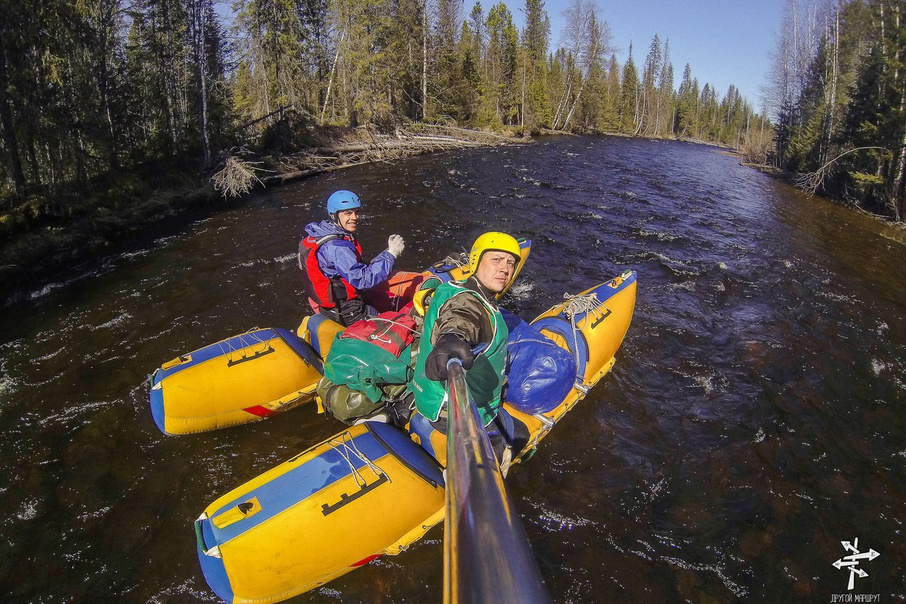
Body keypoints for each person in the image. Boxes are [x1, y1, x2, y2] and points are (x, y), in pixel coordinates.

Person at [408, 231, 529, 467]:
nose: (504, 268)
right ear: (476, 261)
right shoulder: (470, 303)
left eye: (510, 263)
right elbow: (460, 318)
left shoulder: (449, 288)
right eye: (496, 260)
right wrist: (450, 340)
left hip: (428, 398)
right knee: (521, 433)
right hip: (454, 416)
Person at [299, 190, 405, 326]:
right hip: (346, 310)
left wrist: (387, 252)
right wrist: (391, 254)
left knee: (383, 300)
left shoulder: (323, 232)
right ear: (334, 215)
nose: (355, 217)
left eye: (356, 212)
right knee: (395, 327)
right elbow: (363, 280)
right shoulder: (337, 246)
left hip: (334, 304)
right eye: (348, 213)